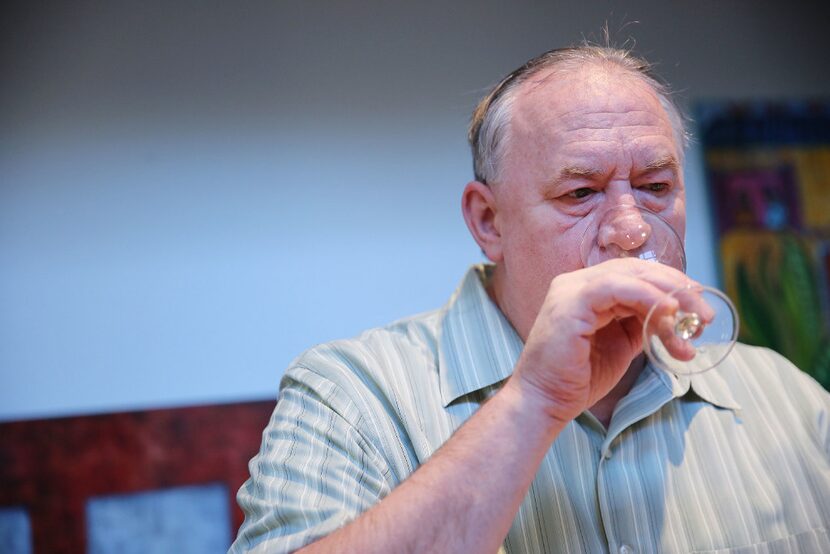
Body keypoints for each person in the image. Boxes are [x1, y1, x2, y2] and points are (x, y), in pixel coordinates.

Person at [230, 46, 830, 553]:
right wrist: (533, 402)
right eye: (580, 192)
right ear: (489, 221)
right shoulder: (351, 395)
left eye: (654, 187)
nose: (631, 229)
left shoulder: (788, 396)